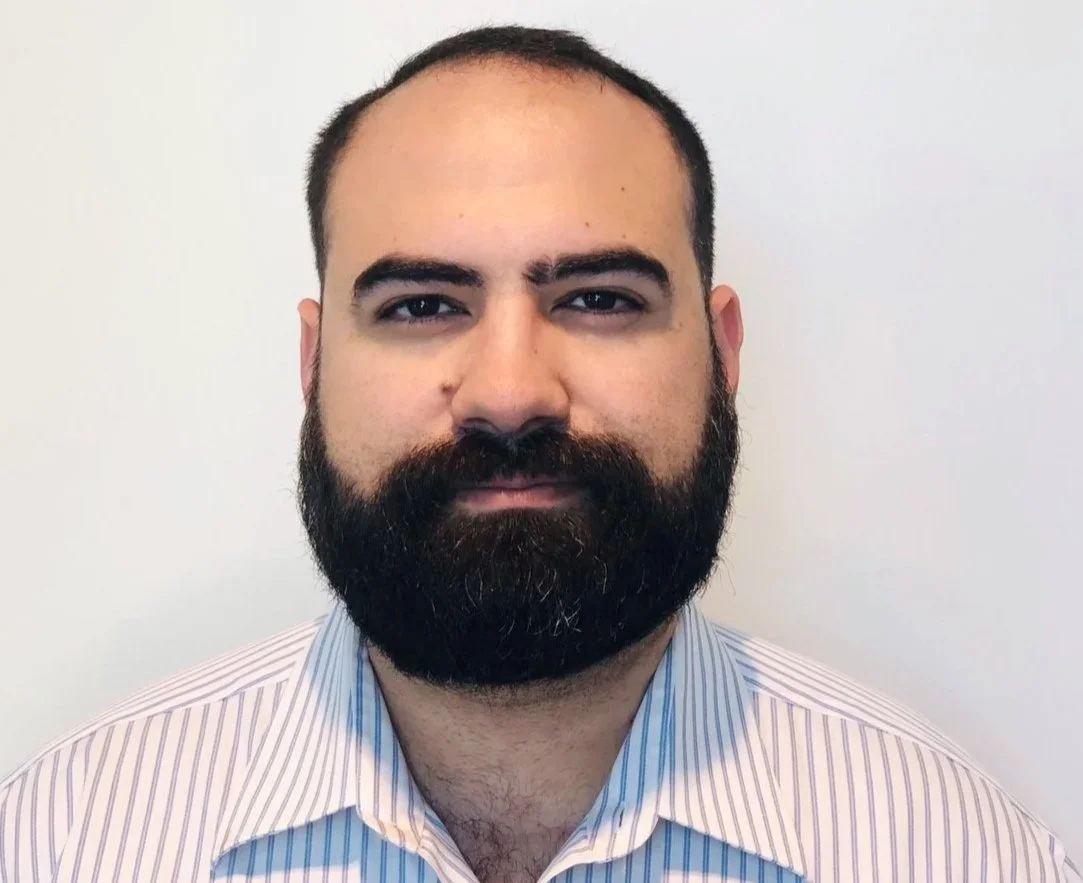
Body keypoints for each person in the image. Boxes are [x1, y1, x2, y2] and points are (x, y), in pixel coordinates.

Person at [0, 24, 1076, 883]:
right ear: (314, 361)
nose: (511, 391)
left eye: (599, 299)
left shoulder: (953, 850)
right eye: (422, 303)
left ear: (723, 351)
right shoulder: (65, 838)